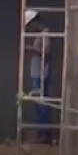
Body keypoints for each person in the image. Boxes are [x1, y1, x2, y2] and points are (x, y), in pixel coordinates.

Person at [23, 10, 55, 144]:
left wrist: (31, 49)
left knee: (42, 103)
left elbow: (46, 53)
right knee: (39, 102)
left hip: (41, 73)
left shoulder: (45, 34)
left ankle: (44, 133)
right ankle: (42, 132)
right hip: (37, 72)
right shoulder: (40, 35)